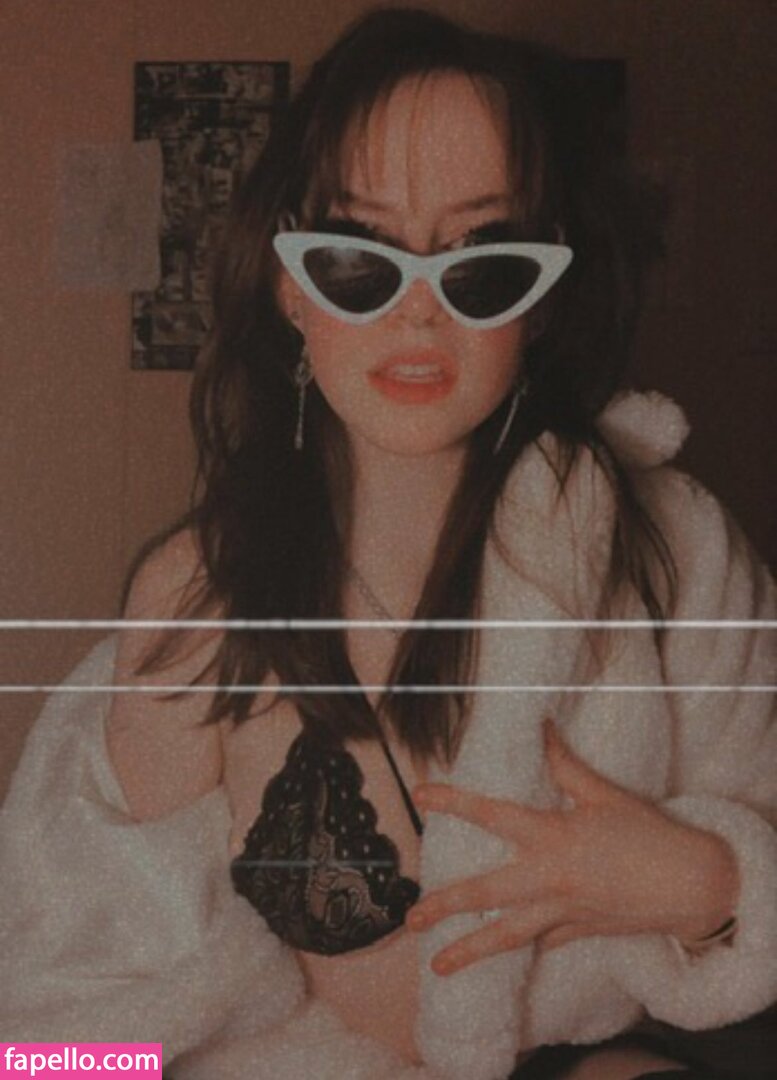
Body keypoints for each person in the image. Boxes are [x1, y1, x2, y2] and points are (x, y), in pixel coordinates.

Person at [1, 9, 775, 1080]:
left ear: (540, 303)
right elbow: (61, 1041)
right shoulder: (198, 601)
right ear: (290, 287)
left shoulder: (673, 553)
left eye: (482, 265)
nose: (418, 315)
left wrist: (710, 888)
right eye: (356, 262)